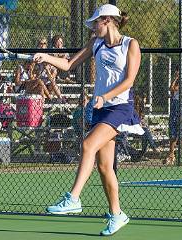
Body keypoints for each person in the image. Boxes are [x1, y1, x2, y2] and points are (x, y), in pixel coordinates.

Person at [34, 4, 144, 236]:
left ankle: (73, 198)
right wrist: (46, 57)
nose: (94, 27)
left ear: (107, 20)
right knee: (104, 167)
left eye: (96, 22)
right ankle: (117, 215)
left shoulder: (130, 44)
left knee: (87, 144)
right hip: (102, 109)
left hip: (120, 107)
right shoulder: (96, 44)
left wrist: (105, 96)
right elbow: (68, 64)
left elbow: (129, 80)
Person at [165, 66, 182, 165]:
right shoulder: (179, 82)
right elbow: (172, 92)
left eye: (177, 71)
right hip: (175, 105)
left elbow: (172, 88)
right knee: (173, 131)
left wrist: (176, 78)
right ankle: (171, 154)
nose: (175, 72)